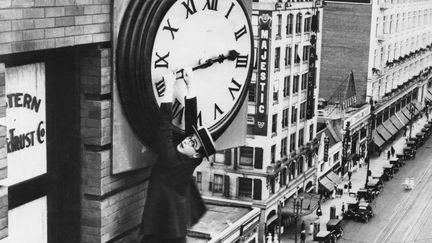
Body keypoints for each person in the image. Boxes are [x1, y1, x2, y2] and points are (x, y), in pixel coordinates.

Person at [140, 68, 217, 243]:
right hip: (170, 224)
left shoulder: (173, 161)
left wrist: (168, 89)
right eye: (191, 138)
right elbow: (192, 127)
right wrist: (191, 86)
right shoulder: (192, 158)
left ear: (195, 153)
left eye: (193, 143)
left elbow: (164, 130)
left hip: (164, 226)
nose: (188, 140)